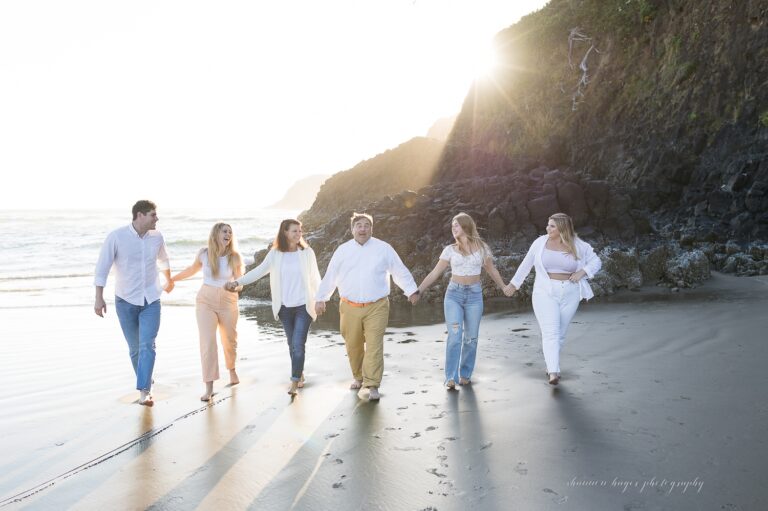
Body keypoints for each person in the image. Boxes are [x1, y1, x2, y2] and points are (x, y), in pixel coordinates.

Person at [315, 212, 419, 401]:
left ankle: (372, 384)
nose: (362, 229)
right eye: (359, 225)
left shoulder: (383, 248)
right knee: (353, 345)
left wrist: (411, 290)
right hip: (348, 306)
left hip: (377, 305)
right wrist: (321, 298)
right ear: (352, 229)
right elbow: (331, 276)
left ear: (372, 229)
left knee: (374, 345)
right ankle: (358, 376)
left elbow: (399, 270)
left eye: (366, 225)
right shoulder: (342, 251)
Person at [226, 219, 321, 396]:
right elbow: (258, 271)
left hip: (304, 306)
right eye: (294, 231)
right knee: (291, 344)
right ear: (285, 232)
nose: (299, 234)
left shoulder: (307, 253)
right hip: (284, 307)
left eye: (300, 231)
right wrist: (238, 282)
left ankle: (293, 382)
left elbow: (315, 278)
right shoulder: (275, 254)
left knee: (298, 344)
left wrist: (321, 299)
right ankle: (299, 373)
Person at [505, 213, 601, 385]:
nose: (547, 228)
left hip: (570, 293)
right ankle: (554, 372)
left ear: (562, 228)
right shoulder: (540, 242)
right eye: (548, 225)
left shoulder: (578, 245)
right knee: (551, 332)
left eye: (552, 226)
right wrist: (513, 285)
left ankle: (551, 364)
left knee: (560, 334)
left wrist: (582, 272)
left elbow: (596, 262)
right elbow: (526, 264)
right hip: (545, 292)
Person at [417, 213, 511, 389]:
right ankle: (450, 377)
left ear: (466, 226)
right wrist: (419, 290)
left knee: (471, 338)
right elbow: (435, 273)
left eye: (456, 225)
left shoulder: (482, 248)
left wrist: (503, 286)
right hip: (454, 296)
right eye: (452, 225)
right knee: (455, 336)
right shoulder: (450, 250)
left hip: (475, 297)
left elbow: (492, 270)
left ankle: (465, 374)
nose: (453, 228)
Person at [94, 200, 174, 406]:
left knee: (148, 344)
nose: (157, 218)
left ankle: (145, 391)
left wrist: (169, 279)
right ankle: (146, 378)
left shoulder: (157, 237)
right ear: (140, 215)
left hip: (151, 299)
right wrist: (98, 297)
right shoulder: (117, 237)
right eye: (153, 215)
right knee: (135, 349)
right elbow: (102, 267)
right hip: (125, 300)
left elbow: (164, 259)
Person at [172, 222, 243, 401]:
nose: (228, 234)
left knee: (229, 340)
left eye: (230, 232)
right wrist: (173, 279)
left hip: (228, 300)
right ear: (216, 234)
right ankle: (209, 387)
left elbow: (241, 282)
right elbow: (191, 270)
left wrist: (235, 287)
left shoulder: (234, 256)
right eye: (225, 231)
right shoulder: (204, 253)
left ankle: (232, 369)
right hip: (205, 300)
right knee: (208, 342)